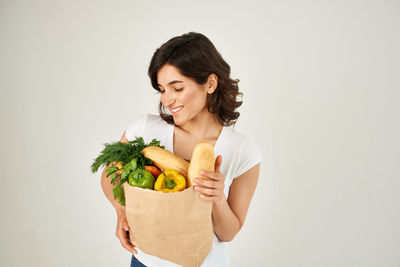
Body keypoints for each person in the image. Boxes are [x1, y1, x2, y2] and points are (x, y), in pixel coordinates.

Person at [100, 32, 262, 267]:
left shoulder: (242, 150)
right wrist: (121, 210)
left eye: (177, 88)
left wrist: (217, 198)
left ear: (210, 83)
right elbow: (109, 174)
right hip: (145, 261)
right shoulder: (146, 129)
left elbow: (228, 233)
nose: (167, 100)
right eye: (162, 90)